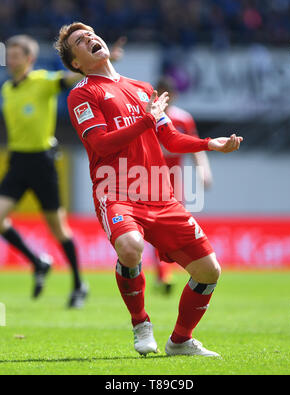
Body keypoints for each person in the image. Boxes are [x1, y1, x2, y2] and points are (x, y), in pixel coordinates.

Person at [55, 22, 243, 357]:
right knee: (130, 246)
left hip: (159, 193)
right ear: (76, 63)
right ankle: (141, 323)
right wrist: (145, 120)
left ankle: (181, 340)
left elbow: (169, 137)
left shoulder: (142, 89)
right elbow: (101, 143)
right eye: (80, 42)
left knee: (208, 270)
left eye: (91, 34)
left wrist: (209, 144)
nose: (90, 39)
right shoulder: (82, 93)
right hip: (116, 190)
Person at [0, 34, 89, 307]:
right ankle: (38, 261)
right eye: (9, 55)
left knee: (58, 229)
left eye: (16, 55)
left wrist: (90, 64)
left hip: (42, 163)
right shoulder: (6, 89)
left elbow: (67, 79)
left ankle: (78, 284)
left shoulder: (41, 81)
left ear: (29, 59)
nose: (10, 59)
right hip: (17, 162)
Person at [153, 77, 214, 294]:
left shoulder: (183, 119)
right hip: (149, 179)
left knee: (174, 228)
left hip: (175, 180)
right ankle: (163, 274)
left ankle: (170, 271)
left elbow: (195, 147)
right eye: (160, 93)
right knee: (156, 228)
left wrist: (203, 170)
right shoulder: (148, 118)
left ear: (174, 95)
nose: (164, 99)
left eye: (167, 94)